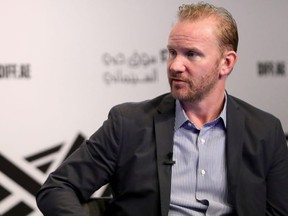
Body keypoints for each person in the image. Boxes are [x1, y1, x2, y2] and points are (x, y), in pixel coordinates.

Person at [36, 2, 288, 216]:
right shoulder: (128, 123)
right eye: (172, 52)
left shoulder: (265, 130)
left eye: (191, 54)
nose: (175, 65)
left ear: (226, 63)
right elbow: (57, 188)